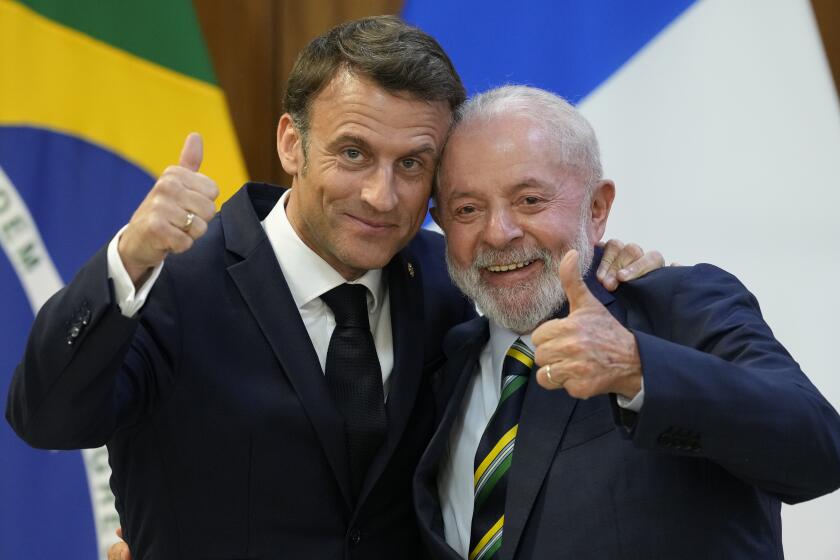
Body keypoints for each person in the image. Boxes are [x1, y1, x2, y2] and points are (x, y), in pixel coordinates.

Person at [6, 18, 661, 560]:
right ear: (293, 142)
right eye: (353, 153)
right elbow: (48, 417)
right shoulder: (172, 281)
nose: (382, 196)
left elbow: (558, 304)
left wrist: (617, 267)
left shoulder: (451, 280)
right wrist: (128, 258)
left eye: (412, 164)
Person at [414, 85, 840, 559]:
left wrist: (638, 370)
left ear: (597, 208)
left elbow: (820, 451)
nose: (498, 232)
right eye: (467, 209)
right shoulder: (442, 360)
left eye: (530, 200)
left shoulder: (676, 306)